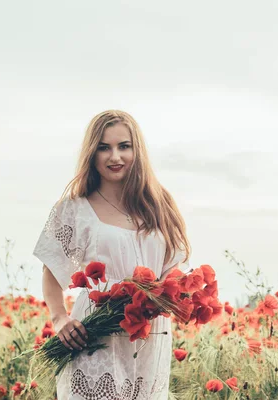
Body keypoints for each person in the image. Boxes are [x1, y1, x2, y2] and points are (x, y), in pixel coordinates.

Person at [33, 110, 191, 400]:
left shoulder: (159, 204)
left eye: (124, 146)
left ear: (137, 151)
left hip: (149, 336)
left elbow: (175, 266)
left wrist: (168, 294)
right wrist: (60, 320)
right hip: (94, 334)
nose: (114, 156)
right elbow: (51, 270)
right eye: (104, 147)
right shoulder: (75, 208)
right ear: (91, 153)